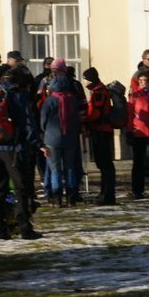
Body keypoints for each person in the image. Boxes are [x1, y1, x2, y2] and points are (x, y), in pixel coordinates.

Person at [0, 69, 46, 239]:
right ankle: (25, 228)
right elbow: (27, 123)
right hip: (14, 149)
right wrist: (39, 144)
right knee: (21, 189)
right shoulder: (18, 96)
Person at [39, 69, 82, 206]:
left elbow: (43, 121)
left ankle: (56, 198)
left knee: (55, 169)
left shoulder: (50, 100)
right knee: (70, 168)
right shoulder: (72, 99)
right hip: (70, 137)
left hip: (52, 138)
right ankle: (71, 198)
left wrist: (45, 131)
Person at [81, 67, 117, 205]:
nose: (84, 81)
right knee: (105, 164)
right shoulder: (100, 90)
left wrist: (84, 119)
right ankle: (106, 193)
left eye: (85, 79)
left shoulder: (98, 92)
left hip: (101, 131)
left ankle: (107, 194)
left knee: (104, 164)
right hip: (103, 130)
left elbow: (95, 113)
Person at [128, 69, 149, 199]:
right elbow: (130, 114)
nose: (142, 83)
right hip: (138, 132)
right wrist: (129, 130)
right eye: (140, 81)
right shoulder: (135, 95)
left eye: (145, 81)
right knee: (138, 163)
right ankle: (137, 190)